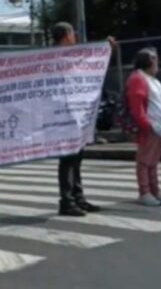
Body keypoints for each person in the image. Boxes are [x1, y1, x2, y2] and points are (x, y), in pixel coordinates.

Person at [51, 22, 102, 216]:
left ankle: (78, 197)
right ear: (66, 37)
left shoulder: (72, 57)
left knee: (77, 158)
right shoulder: (54, 58)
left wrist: (105, 49)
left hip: (76, 114)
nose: (75, 38)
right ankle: (67, 200)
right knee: (68, 159)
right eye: (72, 34)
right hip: (63, 115)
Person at [126, 48, 161, 206]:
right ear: (150, 60)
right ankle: (145, 191)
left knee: (152, 161)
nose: (157, 63)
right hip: (150, 126)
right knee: (145, 161)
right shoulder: (139, 78)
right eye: (155, 59)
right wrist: (146, 124)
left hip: (158, 126)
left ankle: (154, 190)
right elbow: (137, 105)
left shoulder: (152, 79)